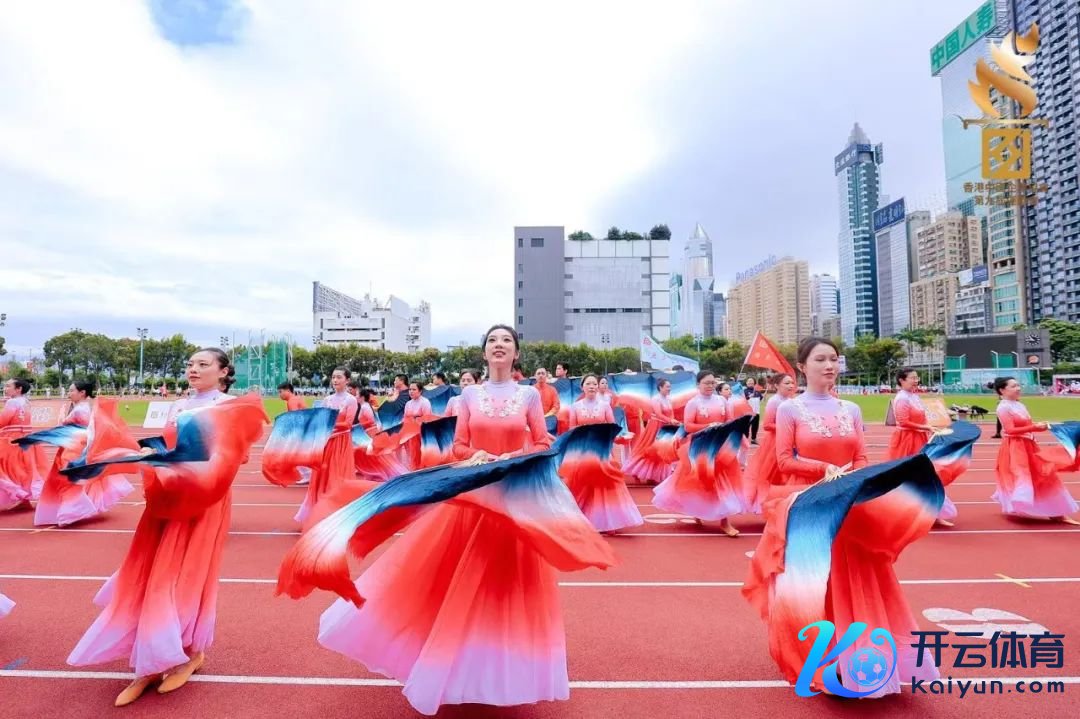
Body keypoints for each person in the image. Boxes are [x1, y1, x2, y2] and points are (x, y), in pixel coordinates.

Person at [308, 324, 610, 714]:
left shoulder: (529, 395)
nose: (499, 346)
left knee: (505, 585)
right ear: (484, 353)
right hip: (472, 494)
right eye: (492, 341)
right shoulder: (469, 394)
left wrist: (515, 458)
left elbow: (542, 442)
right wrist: (474, 457)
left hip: (513, 496)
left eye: (506, 341)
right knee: (454, 579)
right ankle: (450, 666)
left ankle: (500, 671)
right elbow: (459, 444)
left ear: (515, 353)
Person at [68, 348, 266, 706]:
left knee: (186, 574)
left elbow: (238, 455)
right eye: (190, 364)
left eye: (203, 364)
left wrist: (194, 466)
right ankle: (152, 660)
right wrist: (148, 456)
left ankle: (186, 654)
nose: (193, 369)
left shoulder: (230, 406)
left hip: (205, 501)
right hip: (166, 497)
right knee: (151, 571)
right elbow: (167, 446)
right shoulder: (178, 406)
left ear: (223, 372)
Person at [744, 337, 938, 698]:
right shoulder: (790, 409)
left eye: (833, 359)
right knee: (818, 582)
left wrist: (856, 481)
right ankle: (822, 660)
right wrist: (826, 470)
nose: (829, 365)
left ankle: (861, 658)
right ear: (802, 367)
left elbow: (862, 457)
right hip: (811, 506)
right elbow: (784, 460)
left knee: (859, 580)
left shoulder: (851, 408)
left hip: (850, 505)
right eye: (820, 359)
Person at [652, 370, 741, 537]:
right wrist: (707, 426)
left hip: (719, 447)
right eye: (706, 383)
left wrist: (728, 428)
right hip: (699, 448)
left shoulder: (722, 401)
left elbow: (729, 420)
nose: (710, 386)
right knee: (700, 482)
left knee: (722, 483)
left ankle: (724, 521)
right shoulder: (693, 403)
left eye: (712, 383)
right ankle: (697, 510)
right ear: (698, 385)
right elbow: (688, 426)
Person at [34, 381, 135, 527]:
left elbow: (63, 425)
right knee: (70, 479)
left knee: (66, 480)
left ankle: (72, 511)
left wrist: (62, 415)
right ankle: (74, 509)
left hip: (73, 449)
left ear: (82, 393)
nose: (69, 393)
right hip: (74, 446)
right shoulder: (84, 408)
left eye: (71, 390)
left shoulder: (80, 410)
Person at [991, 377, 1079, 524]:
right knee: (1022, 476)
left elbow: (1028, 424)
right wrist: (1035, 427)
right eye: (1013, 386)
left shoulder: (1020, 405)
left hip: (1029, 445)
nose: (1018, 388)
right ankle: (1022, 505)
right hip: (1015, 447)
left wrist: (1036, 427)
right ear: (1002, 390)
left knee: (1045, 475)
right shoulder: (1003, 407)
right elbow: (1010, 430)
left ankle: (1057, 512)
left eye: (1018, 385)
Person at [562, 374, 642, 534]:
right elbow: (571, 431)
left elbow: (611, 428)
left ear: (598, 387)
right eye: (588, 384)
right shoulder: (575, 407)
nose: (592, 386)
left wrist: (619, 438)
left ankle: (607, 521)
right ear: (582, 387)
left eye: (594, 384)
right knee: (581, 485)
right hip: (582, 452)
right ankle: (579, 519)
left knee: (604, 486)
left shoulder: (605, 405)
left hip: (602, 452)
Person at [742, 373, 797, 513]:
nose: (791, 386)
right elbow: (767, 425)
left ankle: (785, 504)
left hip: (792, 443)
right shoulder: (775, 401)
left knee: (790, 475)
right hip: (776, 443)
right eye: (786, 383)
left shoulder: (793, 400)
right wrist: (787, 428)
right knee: (772, 475)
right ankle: (767, 504)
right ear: (777, 385)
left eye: (792, 383)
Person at [0, 378, 46, 511]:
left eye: (8, 386)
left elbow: (2, 421)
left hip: (11, 441)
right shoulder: (26, 402)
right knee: (22, 470)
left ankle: (19, 497)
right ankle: (24, 500)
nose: (5, 388)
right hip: (26, 440)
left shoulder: (12, 402)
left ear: (18, 389)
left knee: (9, 470)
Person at [623, 377, 679, 485]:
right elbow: (658, 413)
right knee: (650, 449)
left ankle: (654, 475)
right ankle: (638, 472)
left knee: (663, 451)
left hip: (665, 428)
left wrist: (672, 422)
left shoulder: (668, 399)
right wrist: (670, 420)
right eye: (667, 387)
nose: (669, 389)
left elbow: (670, 413)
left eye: (670, 387)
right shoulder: (655, 399)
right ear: (660, 387)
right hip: (655, 427)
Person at [743, 377, 764, 444]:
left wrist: (764, 395)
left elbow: (760, 399)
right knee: (746, 426)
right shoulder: (744, 391)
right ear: (746, 383)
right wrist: (749, 397)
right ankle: (745, 439)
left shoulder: (757, 392)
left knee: (755, 426)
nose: (750, 382)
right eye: (749, 381)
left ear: (754, 383)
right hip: (747, 413)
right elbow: (742, 400)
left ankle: (753, 439)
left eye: (752, 381)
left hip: (756, 412)